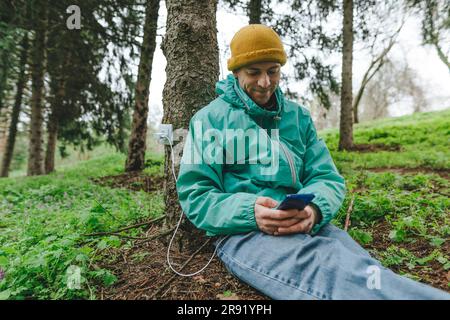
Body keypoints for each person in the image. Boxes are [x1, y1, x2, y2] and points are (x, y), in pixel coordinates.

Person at [175, 24, 449, 300]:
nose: (265, 83)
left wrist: (314, 211)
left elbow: (327, 178)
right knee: (335, 277)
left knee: (368, 272)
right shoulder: (209, 120)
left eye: (272, 71)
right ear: (235, 73)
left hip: (307, 223)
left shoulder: (298, 117)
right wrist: (250, 211)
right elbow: (196, 194)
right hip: (243, 233)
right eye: (254, 72)